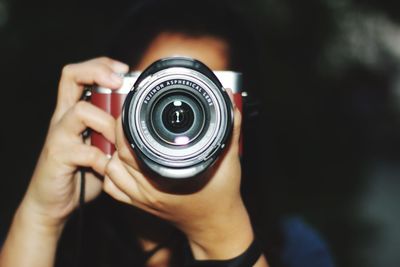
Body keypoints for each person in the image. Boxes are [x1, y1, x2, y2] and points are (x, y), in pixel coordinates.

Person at [0, 1, 335, 266]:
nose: (178, 118)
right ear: (112, 106)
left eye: (203, 99)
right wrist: (43, 216)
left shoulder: (297, 250)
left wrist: (222, 235)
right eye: (156, 94)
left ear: (240, 118)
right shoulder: (71, 241)